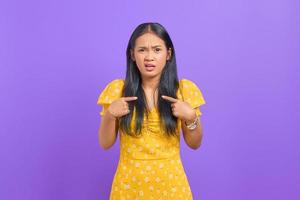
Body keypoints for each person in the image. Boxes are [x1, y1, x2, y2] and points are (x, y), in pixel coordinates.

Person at [97, 22, 206, 200]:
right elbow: (105, 143)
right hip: (128, 187)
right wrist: (110, 115)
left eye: (157, 50)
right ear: (132, 54)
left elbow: (194, 144)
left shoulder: (184, 91)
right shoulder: (118, 91)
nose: (149, 57)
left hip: (172, 188)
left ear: (168, 54)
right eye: (142, 50)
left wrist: (191, 117)